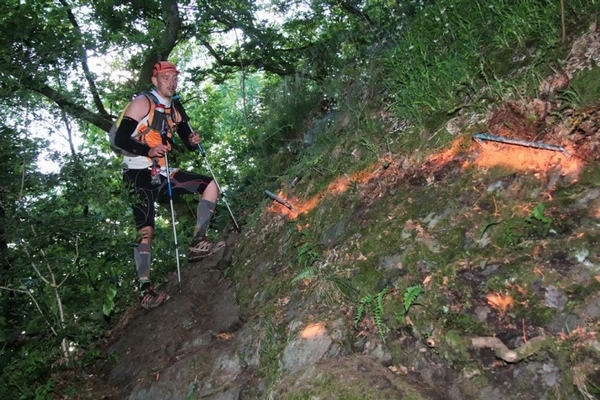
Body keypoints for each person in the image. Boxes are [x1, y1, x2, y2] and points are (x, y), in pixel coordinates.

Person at [113, 61, 225, 309]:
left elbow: (187, 141)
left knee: (210, 186)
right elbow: (121, 138)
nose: (172, 81)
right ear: (155, 80)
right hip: (136, 174)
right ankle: (145, 290)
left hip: (161, 172)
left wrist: (193, 141)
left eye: (174, 77)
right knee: (146, 231)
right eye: (166, 77)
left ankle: (198, 242)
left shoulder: (176, 108)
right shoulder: (143, 102)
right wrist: (148, 149)